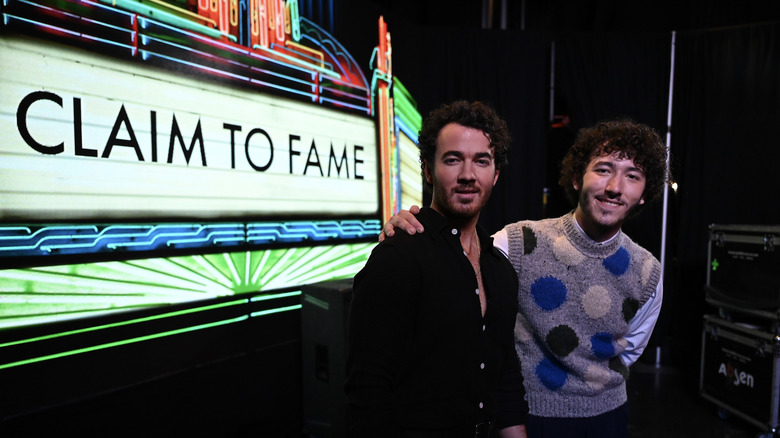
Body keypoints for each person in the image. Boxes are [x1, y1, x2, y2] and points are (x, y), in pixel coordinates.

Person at [383, 119, 668, 438]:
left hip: (607, 419)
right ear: (576, 178)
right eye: (603, 169)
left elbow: (629, 350)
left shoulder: (647, 271)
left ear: (645, 193)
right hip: (522, 418)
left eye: (632, 176)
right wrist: (410, 229)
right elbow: (455, 281)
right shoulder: (517, 242)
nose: (615, 186)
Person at [344, 100, 528, 438]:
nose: (468, 175)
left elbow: (504, 376)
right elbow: (368, 391)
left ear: (496, 174)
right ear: (428, 170)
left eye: (481, 161)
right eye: (453, 159)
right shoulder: (398, 257)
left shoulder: (499, 267)